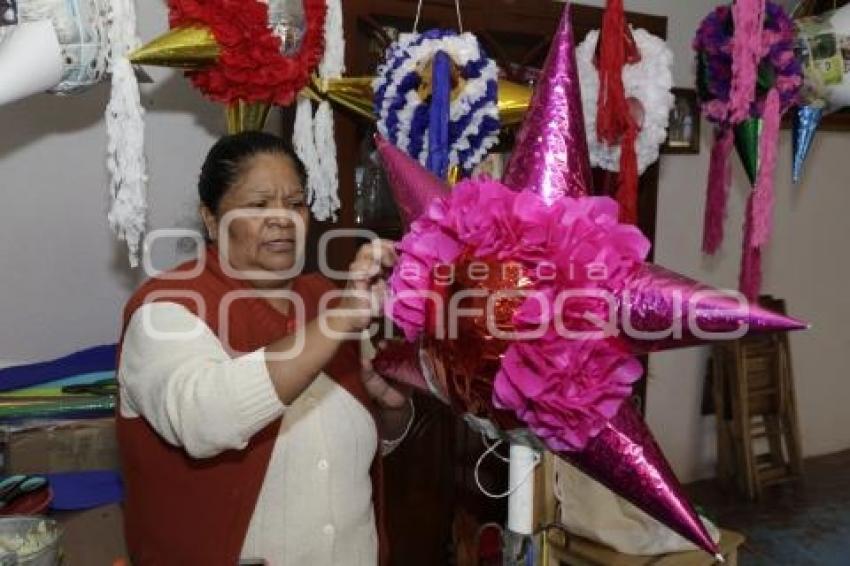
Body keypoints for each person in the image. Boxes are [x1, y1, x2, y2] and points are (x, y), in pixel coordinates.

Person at [116, 131, 412, 565]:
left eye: (295, 204)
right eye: (258, 205)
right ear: (212, 220)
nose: (283, 219)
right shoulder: (167, 310)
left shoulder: (324, 297)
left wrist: (391, 411)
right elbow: (205, 421)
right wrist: (341, 318)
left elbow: (336, 454)